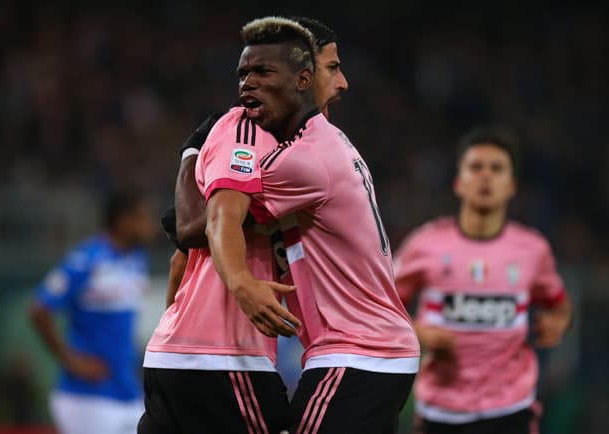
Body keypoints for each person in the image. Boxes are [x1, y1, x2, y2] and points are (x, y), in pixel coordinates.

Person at [206, 17, 419, 434]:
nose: (342, 85)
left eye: (262, 72)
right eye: (334, 68)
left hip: (357, 352)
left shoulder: (304, 160)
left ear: (300, 78)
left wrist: (196, 149)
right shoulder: (324, 144)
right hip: (373, 352)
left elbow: (202, 222)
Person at [393, 127, 573, 434]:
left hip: (511, 408)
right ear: (458, 183)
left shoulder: (532, 250)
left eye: (497, 168)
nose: (485, 177)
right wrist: (416, 332)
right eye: (476, 167)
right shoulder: (425, 244)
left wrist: (558, 322)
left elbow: (558, 304)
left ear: (512, 185)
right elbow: (380, 306)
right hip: (441, 410)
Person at [28, 190, 157, 434]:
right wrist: (71, 361)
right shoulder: (86, 260)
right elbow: (38, 311)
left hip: (127, 390)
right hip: (87, 396)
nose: (150, 225)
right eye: (143, 217)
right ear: (123, 220)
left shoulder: (137, 259)